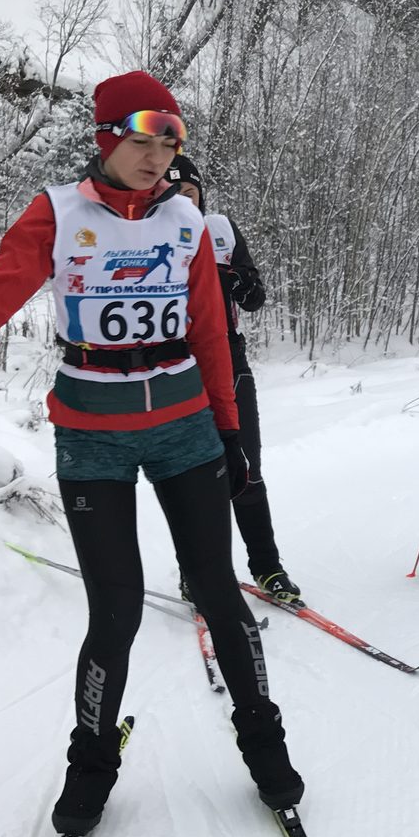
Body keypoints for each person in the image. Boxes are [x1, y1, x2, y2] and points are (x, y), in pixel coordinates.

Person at [0, 70, 303, 836]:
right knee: (116, 610)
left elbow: (211, 333)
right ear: (106, 137)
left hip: (185, 430)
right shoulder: (57, 212)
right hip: (91, 433)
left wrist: (232, 433)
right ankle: (92, 761)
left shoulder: (185, 220)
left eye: (170, 140)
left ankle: (263, 741)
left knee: (217, 589)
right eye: (142, 138)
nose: (157, 155)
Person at [167, 154, 302, 608]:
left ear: (200, 195)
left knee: (246, 466)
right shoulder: (144, 235)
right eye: (169, 193)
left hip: (229, 356)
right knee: (189, 477)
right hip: (174, 365)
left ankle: (268, 567)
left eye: (188, 192)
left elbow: (256, 296)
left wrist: (230, 279)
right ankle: (195, 573)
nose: (180, 200)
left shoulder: (219, 228)